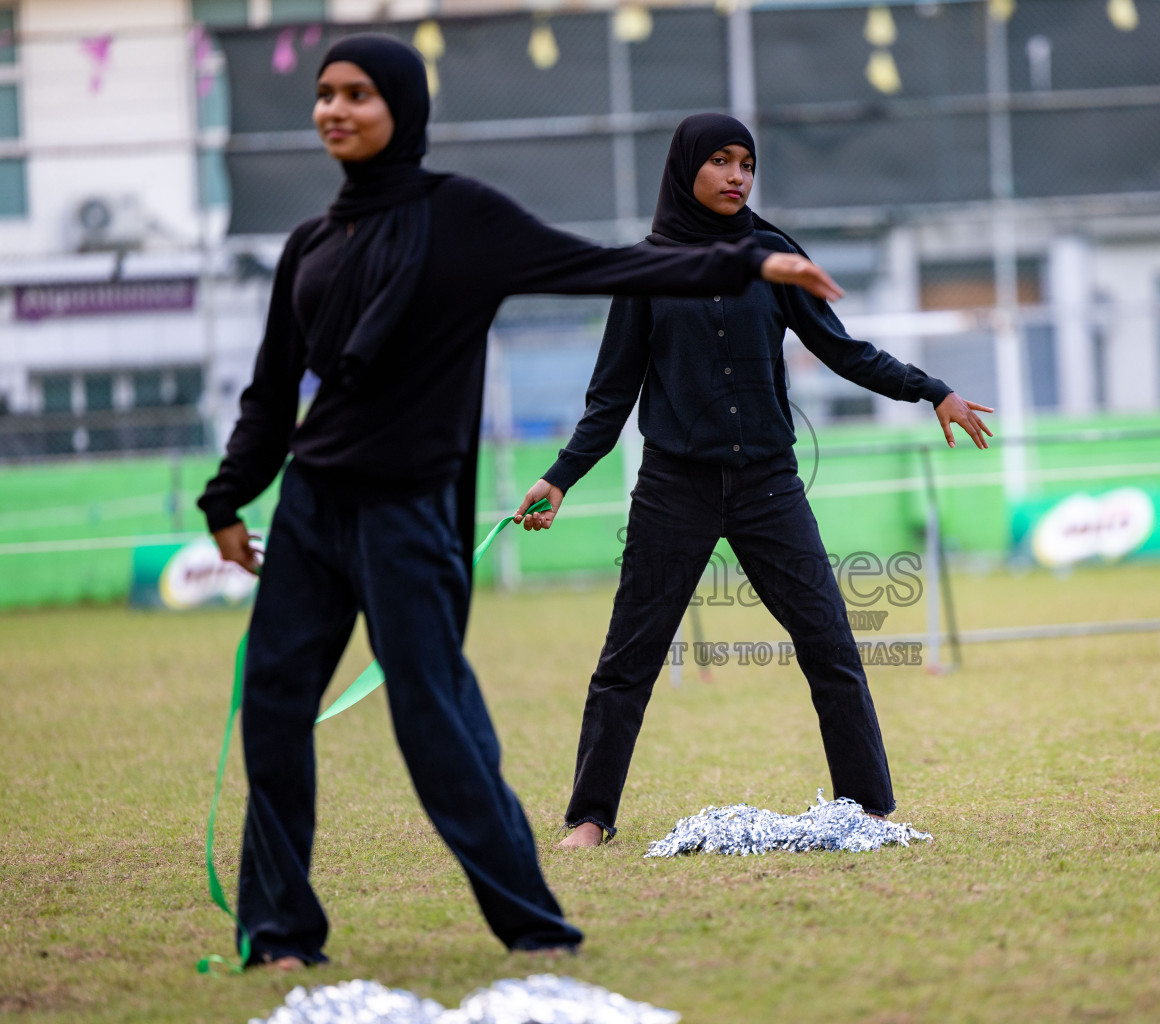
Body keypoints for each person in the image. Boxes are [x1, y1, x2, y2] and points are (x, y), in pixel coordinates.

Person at [199, 39, 843, 969]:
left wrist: (746, 268)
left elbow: (600, 268)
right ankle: (281, 935)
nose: (335, 109)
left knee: (433, 716)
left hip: (408, 509)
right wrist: (228, 500)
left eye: (359, 95)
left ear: (404, 109)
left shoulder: (456, 215)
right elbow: (269, 396)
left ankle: (533, 923)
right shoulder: (310, 243)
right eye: (324, 94)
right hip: (309, 507)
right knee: (272, 711)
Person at [512, 113, 993, 849]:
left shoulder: (773, 257)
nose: (737, 176)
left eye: (748, 164)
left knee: (830, 641)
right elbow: (610, 396)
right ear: (685, 170)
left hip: (769, 485)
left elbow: (842, 350)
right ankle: (589, 818)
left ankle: (865, 807)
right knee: (628, 659)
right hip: (674, 490)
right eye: (721, 162)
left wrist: (931, 390)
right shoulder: (645, 271)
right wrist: (560, 477)